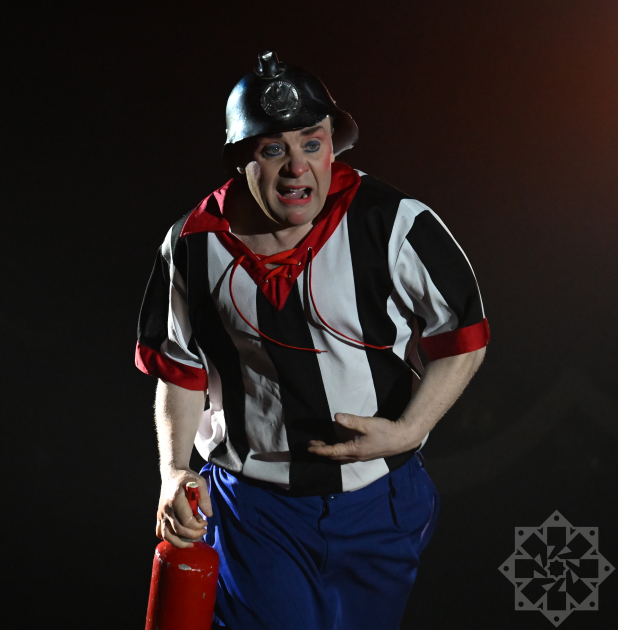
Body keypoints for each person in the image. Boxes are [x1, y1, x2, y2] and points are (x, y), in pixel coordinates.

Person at [135, 51, 488, 629]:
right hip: (257, 508)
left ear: (333, 147)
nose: (297, 167)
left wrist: (408, 429)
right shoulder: (193, 245)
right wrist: (172, 470)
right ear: (241, 158)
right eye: (274, 149)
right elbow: (179, 370)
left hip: (381, 499)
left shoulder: (393, 222)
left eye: (312, 143)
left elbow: (464, 337)